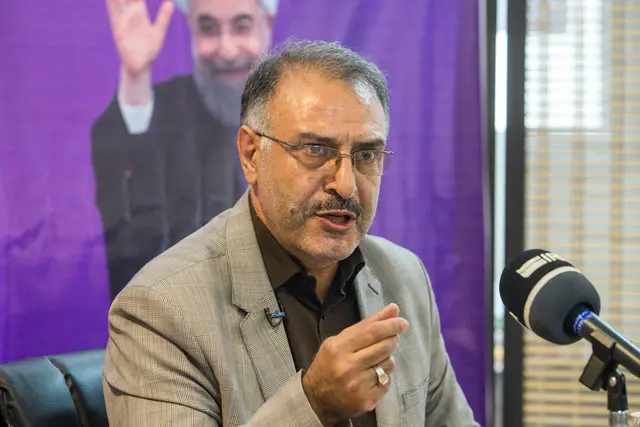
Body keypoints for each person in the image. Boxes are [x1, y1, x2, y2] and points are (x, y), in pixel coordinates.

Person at [102, 39, 479, 426]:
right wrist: (314, 403)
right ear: (251, 154)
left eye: (366, 155)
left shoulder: (404, 277)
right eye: (315, 150)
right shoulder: (162, 309)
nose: (346, 184)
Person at [90, 0, 277, 299]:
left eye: (241, 27)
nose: (227, 50)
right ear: (191, 30)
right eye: (209, 29)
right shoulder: (165, 110)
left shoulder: (299, 111)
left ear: (267, 23)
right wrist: (135, 78)